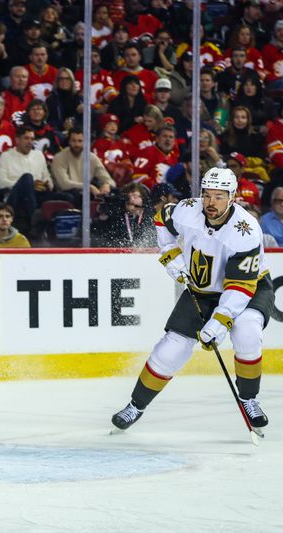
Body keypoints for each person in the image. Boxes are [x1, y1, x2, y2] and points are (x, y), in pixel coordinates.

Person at [112, 168, 274, 435]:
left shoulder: (246, 232)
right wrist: (170, 254)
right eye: (207, 195)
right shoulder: (187, 210)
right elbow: (161, 221)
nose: (211, 203)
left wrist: (219, 324)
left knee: (247, 330)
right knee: (171, 348)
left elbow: (240, 286)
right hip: (203, 289)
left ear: (232, 198)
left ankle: (248, 399)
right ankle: (135, 406)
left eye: (219, 197)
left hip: (249, 288)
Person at [50, 128, 114, 207]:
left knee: (111, 192)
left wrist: (107, 184)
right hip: (66, 194)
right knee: (76, 194)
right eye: (73, 141)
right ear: (69, 141)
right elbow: (64, 184)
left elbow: (109, 180)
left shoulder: (91, 157)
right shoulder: (59, 157)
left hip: (86, 193)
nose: (76, 144)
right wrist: (89, 187)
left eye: (80, 141)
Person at [91, 183, 156, 248]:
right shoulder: (118, 214)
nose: (131, 199)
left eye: (135, 196)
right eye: (128, 197)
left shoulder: (150, 214)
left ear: (144, 198)